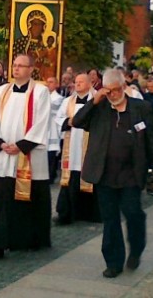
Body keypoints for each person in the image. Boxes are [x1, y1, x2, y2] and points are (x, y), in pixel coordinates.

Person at [71, 69, 153, 278]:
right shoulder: (100, 108)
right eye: (108, 91)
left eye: (115, 90)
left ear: (123, 87)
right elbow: (77, 121)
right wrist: (94, 100)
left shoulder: (141, 108)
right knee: (110, 219)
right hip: (104, 174)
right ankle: (113, 261)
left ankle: (137, 248)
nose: (112, 95)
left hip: (131, 173)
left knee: (133, 213)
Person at [0, 54, 52, 262]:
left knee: (26, 197)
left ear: (31, 69)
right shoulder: (2, 91)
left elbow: (42, 121)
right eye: (14, 65)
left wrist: (21, 146)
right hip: (4, 154)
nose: (16, 69)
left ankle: (25, 240)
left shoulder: (40, 92)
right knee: (0, 199)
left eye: (21, 66)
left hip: (28, 154)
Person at [54, 73, 100, 224]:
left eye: (81, 82)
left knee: (89, 176)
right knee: (71, 176)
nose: (77, 84)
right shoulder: (68, 101)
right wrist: (69, 121)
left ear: (89, 84)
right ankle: (67, 212)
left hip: (90, 144)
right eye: (76, 82)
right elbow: (58, 118)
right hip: (72, 144)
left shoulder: (97, 101)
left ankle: (90, 213)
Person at [46, 76, 64, 184]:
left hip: (53, 130)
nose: (48, 84)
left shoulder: (59, 98)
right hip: (44, 130)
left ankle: (51, 176)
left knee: (51, 155)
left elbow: (51, 109)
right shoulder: (43, 96)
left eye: (51, 82)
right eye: (47, 82)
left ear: (57, 85)